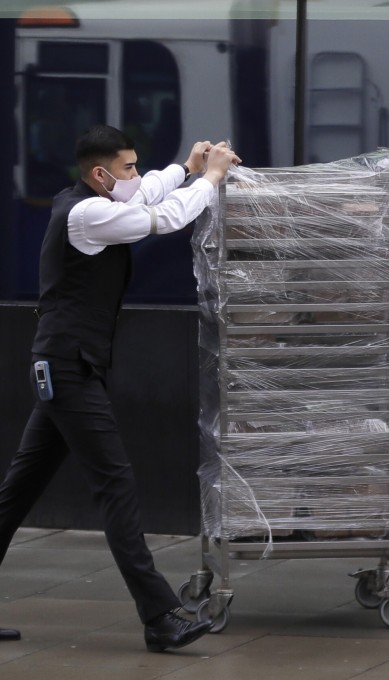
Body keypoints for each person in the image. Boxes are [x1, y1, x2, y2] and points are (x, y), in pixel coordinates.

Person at [0, 124, 240, 650]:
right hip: (68, 368)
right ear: (100, 174)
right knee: (116, 486)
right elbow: (163, 217)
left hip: (70, 365)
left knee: (17, 492)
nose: (136, 174)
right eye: (128, 167)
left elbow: (151, 192)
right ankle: (160, 616)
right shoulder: (87, 213)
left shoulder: (92, 197)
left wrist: (188, 166)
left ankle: (160, 617)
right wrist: (212, 180)